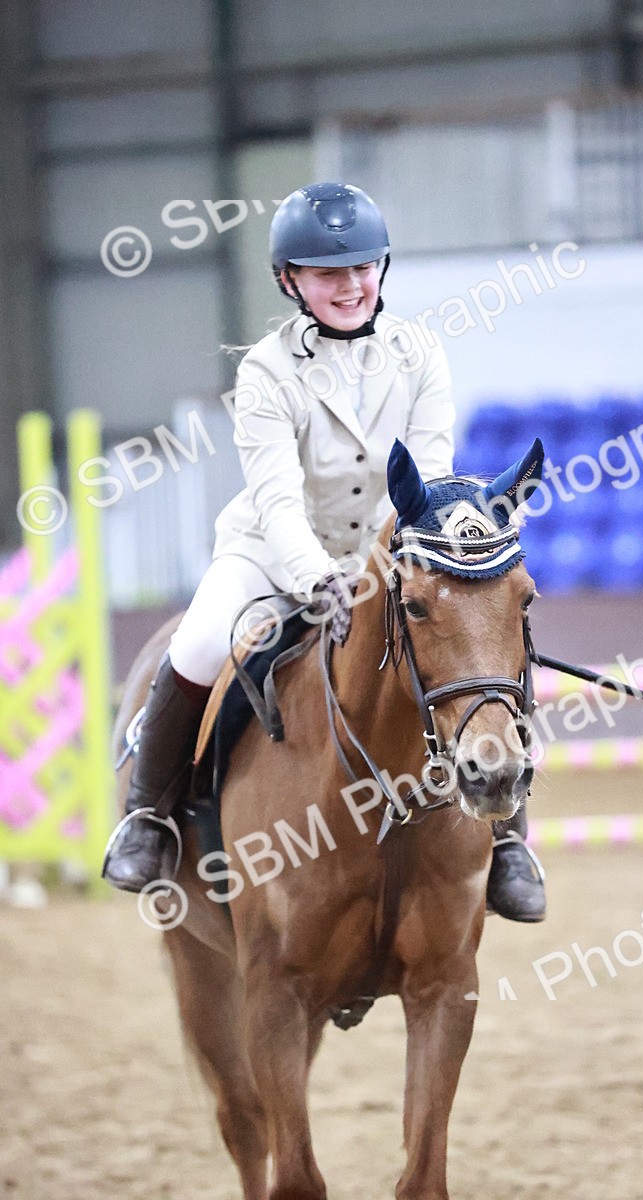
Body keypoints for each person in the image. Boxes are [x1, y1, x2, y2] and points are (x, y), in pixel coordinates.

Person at [102, 181, 546, 922]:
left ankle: (507, 840)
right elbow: (277, 499)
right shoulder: (265, 372)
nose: (350, 285)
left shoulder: (420, 353)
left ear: (383, 267)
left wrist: (402, 566)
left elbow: (426, 480)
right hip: (271, 553)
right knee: (203, 642)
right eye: (327, 273)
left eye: (363, 268)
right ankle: (148, 817)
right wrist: (314, 577)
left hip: (385, 555)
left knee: (481, 645)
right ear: (291, 281)